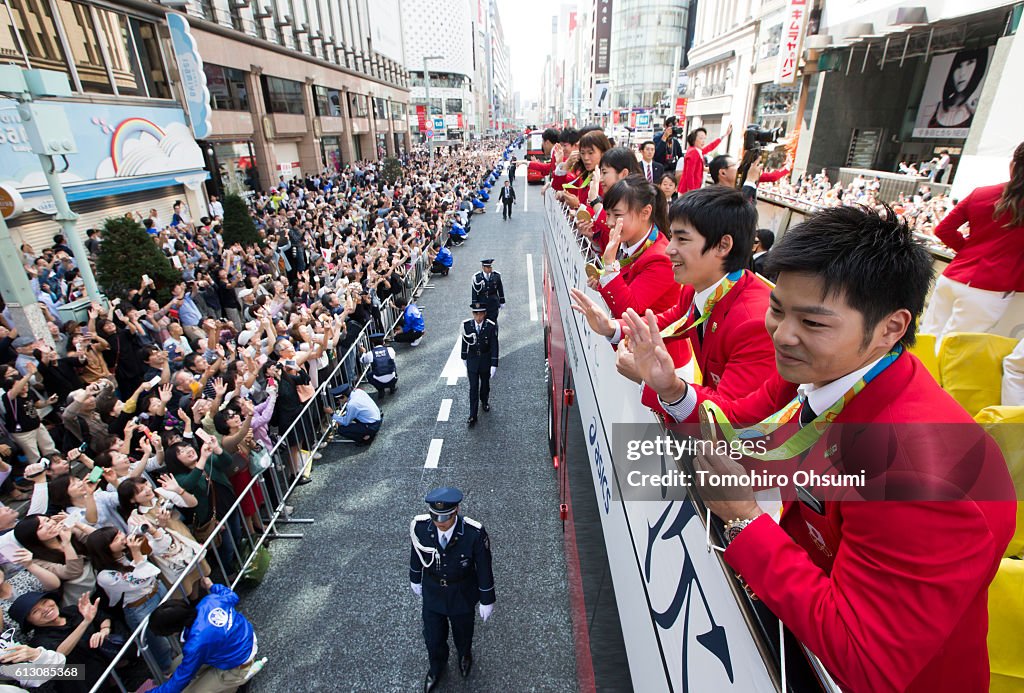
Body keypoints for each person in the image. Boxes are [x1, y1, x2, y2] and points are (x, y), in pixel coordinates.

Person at [624, 204, 1015, 693]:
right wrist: (671, 389)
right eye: (778, 308)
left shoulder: (923, 473)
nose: (783, 336)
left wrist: (744, 519)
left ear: (891, 328)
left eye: (812, 322)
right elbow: (743, 427)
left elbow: (865, 661)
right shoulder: (826, 373)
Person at [573, 186, 772, 417]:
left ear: (723, 245)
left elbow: (731, 418)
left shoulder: (754, 323)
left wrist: (661, 385)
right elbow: (669, 321)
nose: (669, 248)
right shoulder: (699, 289)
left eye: (682, 239)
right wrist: (612, 328)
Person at [920, 140, 1024, 346]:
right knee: (952, 348)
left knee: (926, 337)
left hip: (952, 277)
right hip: (990, 288)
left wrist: (968, 251)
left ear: (1012, 165)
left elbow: (943, 230)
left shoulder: (981, 193)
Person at [409, 487, 495, 691]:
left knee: (463, 631)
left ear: (455, 511)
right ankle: (436, 667)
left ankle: (464, 654)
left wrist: (486, 598)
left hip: (462, 591)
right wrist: (415, 577)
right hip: (434, 592)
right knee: (432, 635)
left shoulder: (473, 533)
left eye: (444, 517)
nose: (440, 523)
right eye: (435, 517)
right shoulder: (421, 527)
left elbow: (483, 566)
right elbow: (416, 552)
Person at [147, 578, 264, 693]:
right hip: (242, 639)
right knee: (175, 666)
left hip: (239, 663)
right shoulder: (209, 601)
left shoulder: (195, 644)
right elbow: (232, 595)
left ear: (172, 631)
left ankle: (235, 685)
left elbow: (179, 682)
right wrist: (211, 586)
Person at [925, 48, 989, 129]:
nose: (962, 73)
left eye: (970, 63)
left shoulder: (976, 110)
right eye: (958, 66)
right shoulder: (935, 108)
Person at [461, 303, 498, 427]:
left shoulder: (490, 327)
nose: (478, 316)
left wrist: (494, 363)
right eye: (475, 313)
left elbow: (494, 345)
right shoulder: (467, 325)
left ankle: (484, 400)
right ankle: (473, 415)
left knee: (485, 385)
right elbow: (465, 341)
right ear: (473, 314)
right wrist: (463, 357)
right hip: (472, 360)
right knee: (473, 388)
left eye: (480, 313)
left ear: (484, 314)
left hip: (485, 359)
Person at [678, 123, 732, 194]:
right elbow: (689, 174)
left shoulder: (697, 151)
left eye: (704, 138)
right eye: (701, 138)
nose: (703, 141)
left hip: (691, 189)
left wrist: (724, 135)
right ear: (694, 139)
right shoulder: (693, 152)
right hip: (688, 190)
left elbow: (710, 147)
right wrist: (691, 191)